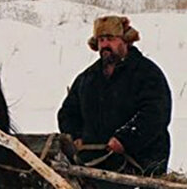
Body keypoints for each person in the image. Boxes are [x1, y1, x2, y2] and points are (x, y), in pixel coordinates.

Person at [57, 15, 171, 176]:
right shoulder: (87, 78)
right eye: (101, 40)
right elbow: (68, 112)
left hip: (140, 165)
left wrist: (125, 140)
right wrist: (75, 136)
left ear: (125, 40)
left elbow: (155, 113)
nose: (105, 45)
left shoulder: (147, 74)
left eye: (110, 38)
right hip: (91, 165)